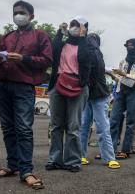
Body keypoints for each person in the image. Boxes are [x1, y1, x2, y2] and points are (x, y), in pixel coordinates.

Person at [0, 0, 52, 189]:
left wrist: (24, 58)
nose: (18, 16)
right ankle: (12, 165)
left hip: (24, 86)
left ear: (31, 16)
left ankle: (26, 170)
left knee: (23, 128)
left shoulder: (40, 36)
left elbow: (47, 60)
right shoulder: (6, 36)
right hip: (2, 84)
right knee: (7, 127)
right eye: (15, 12)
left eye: (22, 12)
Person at [46, 16, 91, 172]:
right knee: (56, 125)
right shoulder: (63, 44)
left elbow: (86, 59)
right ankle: (54, 160)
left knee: (73, 126)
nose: (74, 27)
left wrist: (84, 37)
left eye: (78, 25)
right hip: (58, 84)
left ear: (84, 28)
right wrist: (60, 32)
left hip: (78, 86)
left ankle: (73, 161)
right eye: (72, 24)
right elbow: (52, 51)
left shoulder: (88, 45)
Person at [79, 33, 120, 169]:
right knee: (97, 127)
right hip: (91, 94)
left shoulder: (90, 53)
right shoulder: (96, 53)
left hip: (96, 95)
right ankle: (107, 158)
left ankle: (85, 155)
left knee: (94, 126)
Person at [110, 39, 135, 159]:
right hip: (121, 91)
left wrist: (124, 74)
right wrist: (112, 75)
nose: (129, 48)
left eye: (131, 46)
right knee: (114, 120)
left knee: (131, 121)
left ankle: (125, 150)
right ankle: (109, 149)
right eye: (127, 46)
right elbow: (119, 78)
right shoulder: (124, 61)